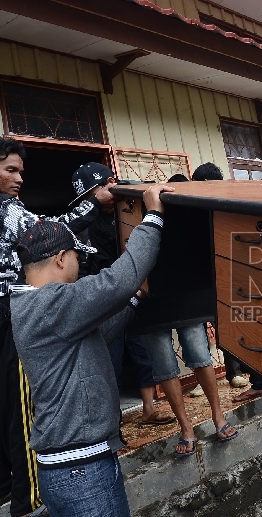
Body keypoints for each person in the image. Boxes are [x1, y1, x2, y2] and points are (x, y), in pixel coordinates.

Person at [0, 136, 116, 517]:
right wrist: (93, 204)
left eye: (20, 172)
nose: (18, 179)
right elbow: (47, 233)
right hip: (10, 317)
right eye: (10, 170)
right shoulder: (0, 205)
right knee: (21, 409)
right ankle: (26, 501)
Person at [10, 184, 171, 517]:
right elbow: (117, 280)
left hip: (80, 464)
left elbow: (96, 334)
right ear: (62, 258)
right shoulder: (50, 303)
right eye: (78, 259)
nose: (81, 266)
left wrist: (132, 298)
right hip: (80, 470)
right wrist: (153, 217)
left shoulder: (37, 307)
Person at [140, 164, 239, 455]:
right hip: (149, 297)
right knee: (164, 365)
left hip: (184, 292)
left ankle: (218, 416)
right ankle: (186, 428)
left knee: (199, 355)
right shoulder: (138, 209)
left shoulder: (195, 207)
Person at [71, 162, 174, 427]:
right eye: (87, 198)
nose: (94, 201)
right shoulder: (82, 222)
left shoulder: (130, 207)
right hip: (105, 301)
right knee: (109, 362)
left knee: (142, 353)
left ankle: (149, 409)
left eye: (96, 193)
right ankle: (111, 422)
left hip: (137, 292)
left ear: (110, 183)